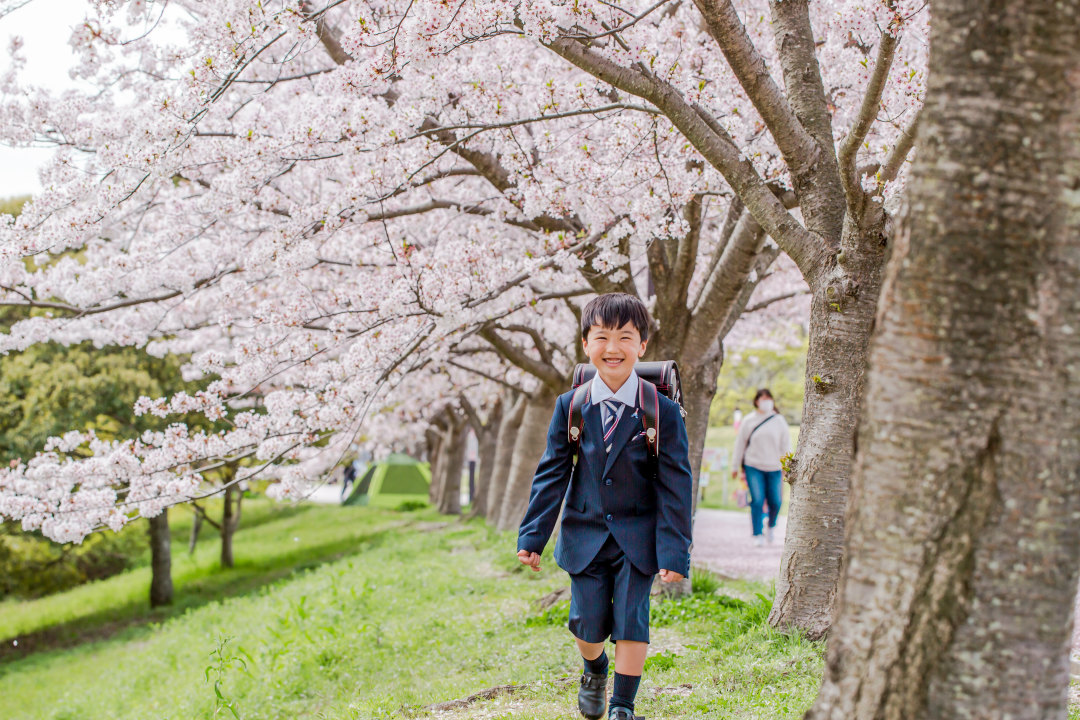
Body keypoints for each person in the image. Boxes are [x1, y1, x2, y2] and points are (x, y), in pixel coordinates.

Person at [516, 293, 693, 720]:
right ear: (586, 343)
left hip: (639, 535)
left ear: (642, 346)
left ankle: (622, 707)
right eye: (602, 337)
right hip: (585, 532)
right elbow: (552, 473)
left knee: (633, 618)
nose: (613, 348)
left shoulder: (661, 412)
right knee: (587, 623)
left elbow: (676, 486)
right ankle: (594, 667)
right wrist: (533, 536)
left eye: (625, 338)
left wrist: (674, 551)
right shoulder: (571, 407)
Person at [731, 388, 791, 547]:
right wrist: (735, 465)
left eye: (768, 398)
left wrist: (787, 466)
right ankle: (757, 533)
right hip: (753, 466)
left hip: (774, 467)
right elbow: (740, 445)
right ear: (756, 401)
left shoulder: (779, 420)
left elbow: (786, 444)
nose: (766, 402)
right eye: (763, 399)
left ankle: (771, 526)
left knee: (776, 501)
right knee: (757, 500)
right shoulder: (749, 420)